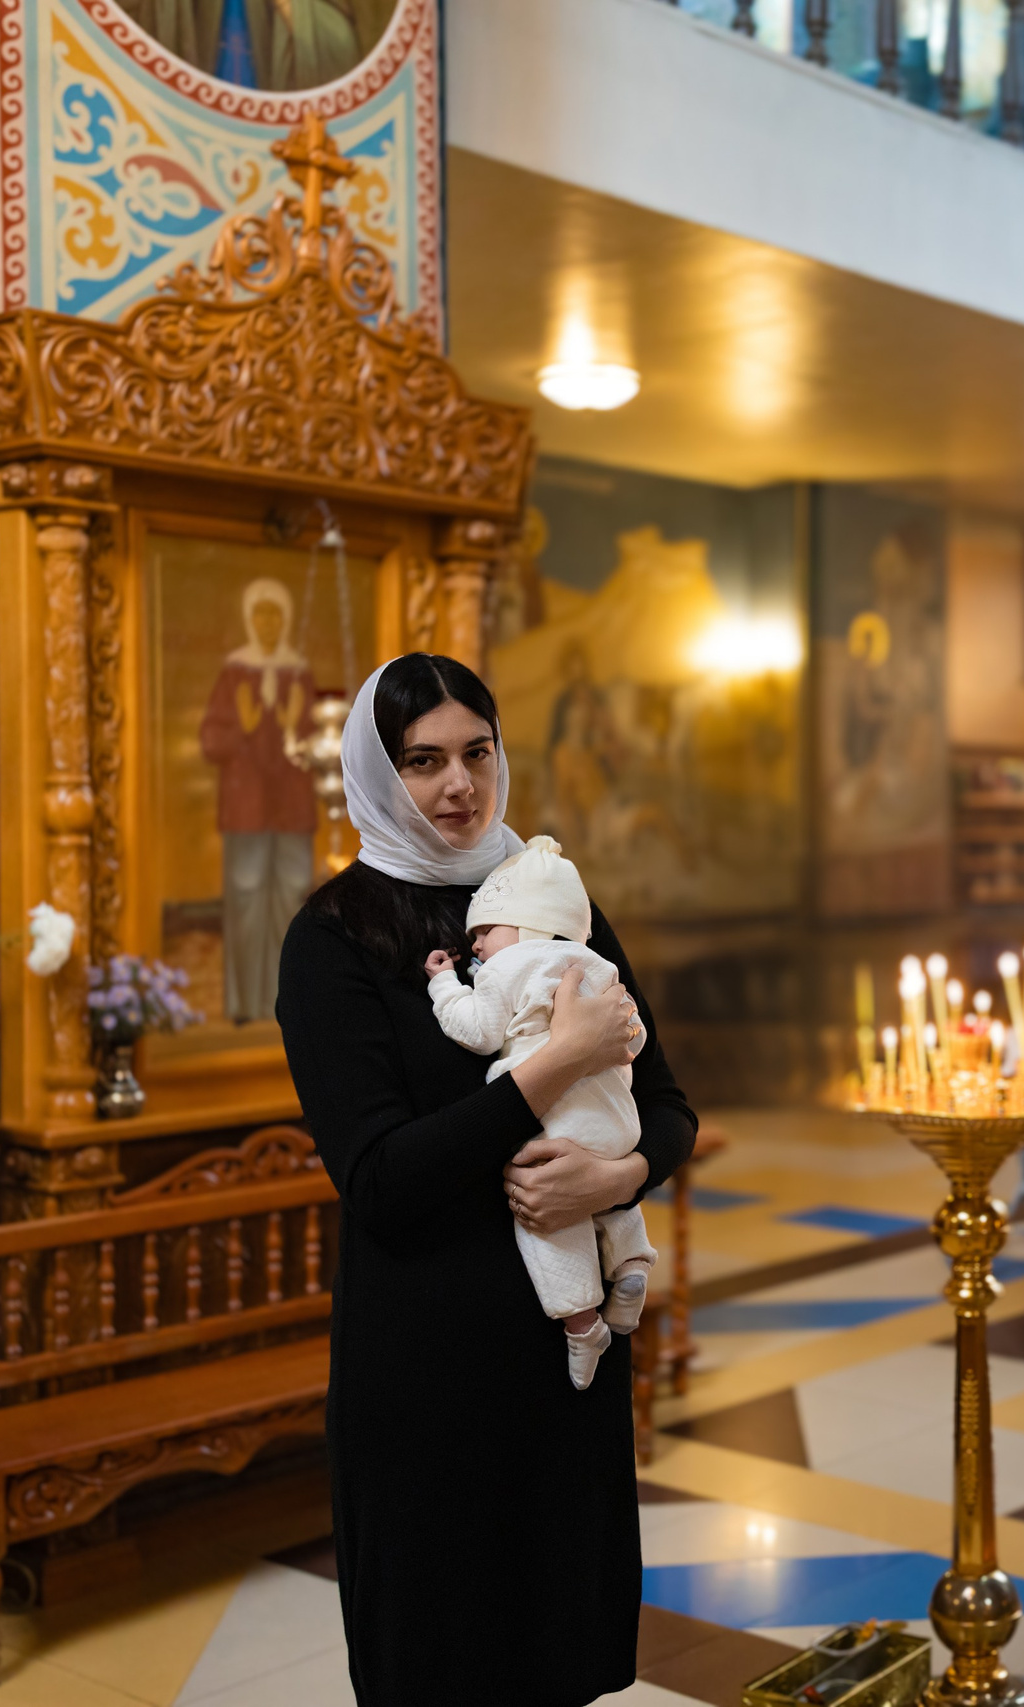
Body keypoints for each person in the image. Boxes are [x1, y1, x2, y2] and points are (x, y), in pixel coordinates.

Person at [276, 652, 695, 1704]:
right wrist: (550, 1067)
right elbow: (378, 1179)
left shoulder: (558, 906)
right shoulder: (333, 940)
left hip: (564, 1367)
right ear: (378, 774)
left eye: (476, 752)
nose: (458, 785)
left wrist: (619, 1177)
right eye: (421, 761)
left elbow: (673, 1110)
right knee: (441, 1665)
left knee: (560, 1656)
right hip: (426, 1370)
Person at [426, 834, 656, 1390]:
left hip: (553, 1119)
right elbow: (637, 1036)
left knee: (549, 1215)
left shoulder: (510, 968)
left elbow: (477, 1032)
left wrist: (443, 985)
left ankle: (583, 1325)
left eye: (485, 930)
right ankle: (631, 1267)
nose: (475, 944)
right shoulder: (597, 964)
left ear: (528, 926)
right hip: (616, 1120)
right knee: (605, 1189)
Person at [199, 577, 316, 1024]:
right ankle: (246, 1005)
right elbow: (211, 740)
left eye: (275, 614)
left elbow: (316, 741)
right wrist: (243, 727)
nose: (268, 622)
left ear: (284, 620)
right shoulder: (235, 673)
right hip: (246, 809)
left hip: (292, 807)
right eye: (260, 613)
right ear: (251, 619)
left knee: (292, 901)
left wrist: (294, 726)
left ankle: (289, 1003)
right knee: (246, 899)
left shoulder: (298, 672)